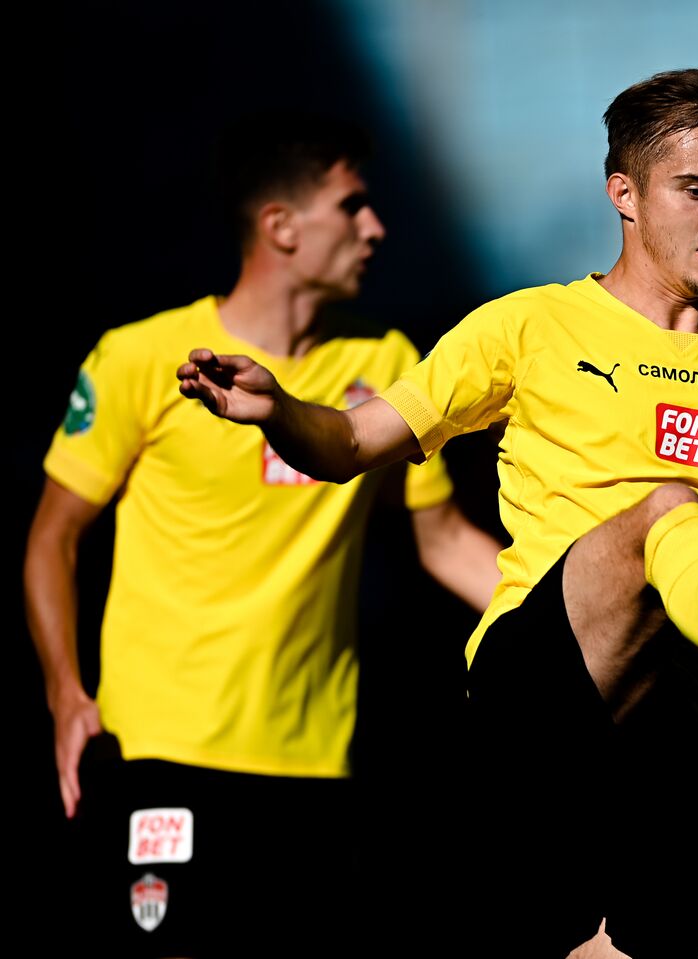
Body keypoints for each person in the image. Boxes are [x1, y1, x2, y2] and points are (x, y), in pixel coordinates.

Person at [177, 68, 698, 956]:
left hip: (679, 738)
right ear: (625, 194)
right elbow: (353, 442)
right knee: (667, 509)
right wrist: (278, 407)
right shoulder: (528, 328)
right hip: (543, 687)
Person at [24, 111, 502, 956]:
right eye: (352, 206)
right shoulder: (139, 357)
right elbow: (52, 538)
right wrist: (67, 694)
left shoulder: (388, 364)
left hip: (318, 773)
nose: (377, 227)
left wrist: (588, 613)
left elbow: (447, 544)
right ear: (281, 227)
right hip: (161, 753)